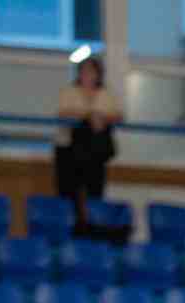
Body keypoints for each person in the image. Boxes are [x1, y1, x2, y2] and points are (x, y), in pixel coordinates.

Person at [56, 55, 122, 240]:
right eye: (84, 71)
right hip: (70, 150)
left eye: (91, 71)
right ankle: (71, 233)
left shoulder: (106, 94)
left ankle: (94, 233)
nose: (87, 74)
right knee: (69, 193)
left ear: (98, 74)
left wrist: (102, 118)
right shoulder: (69, 91)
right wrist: (88, 116)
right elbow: (62, 113)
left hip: (96, 152)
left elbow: (118, 115)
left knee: (95, 193)